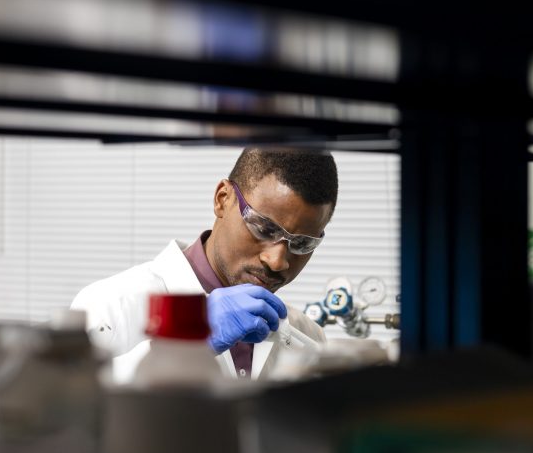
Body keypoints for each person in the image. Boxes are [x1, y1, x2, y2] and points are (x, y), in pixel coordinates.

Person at [71, 147, 338, 381]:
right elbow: (70, 414)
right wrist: (185, 343)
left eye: (302, 244)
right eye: (264, 228)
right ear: (223, 199)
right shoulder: (111, 303)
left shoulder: (308, 335)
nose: (277, 261)